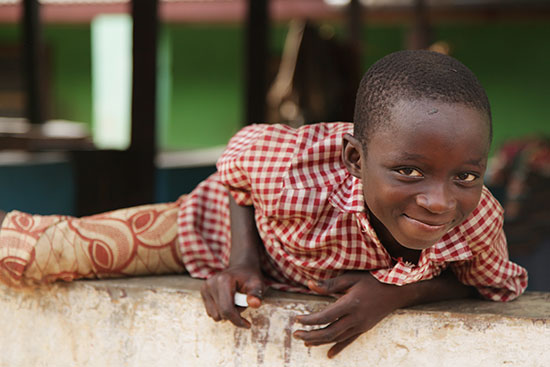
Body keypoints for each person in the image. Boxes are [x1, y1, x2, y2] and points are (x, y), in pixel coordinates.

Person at [0, 50, 527, 358]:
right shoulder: (296, 166)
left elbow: (489, 284)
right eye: (408, 171)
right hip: (204, 229)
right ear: (353, 158)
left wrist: (393, 296)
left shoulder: (475, 219)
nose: (439, 201)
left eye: (465, 175)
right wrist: (240, 260)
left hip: (291, 265)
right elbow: (237, 168)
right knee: (45, 251)